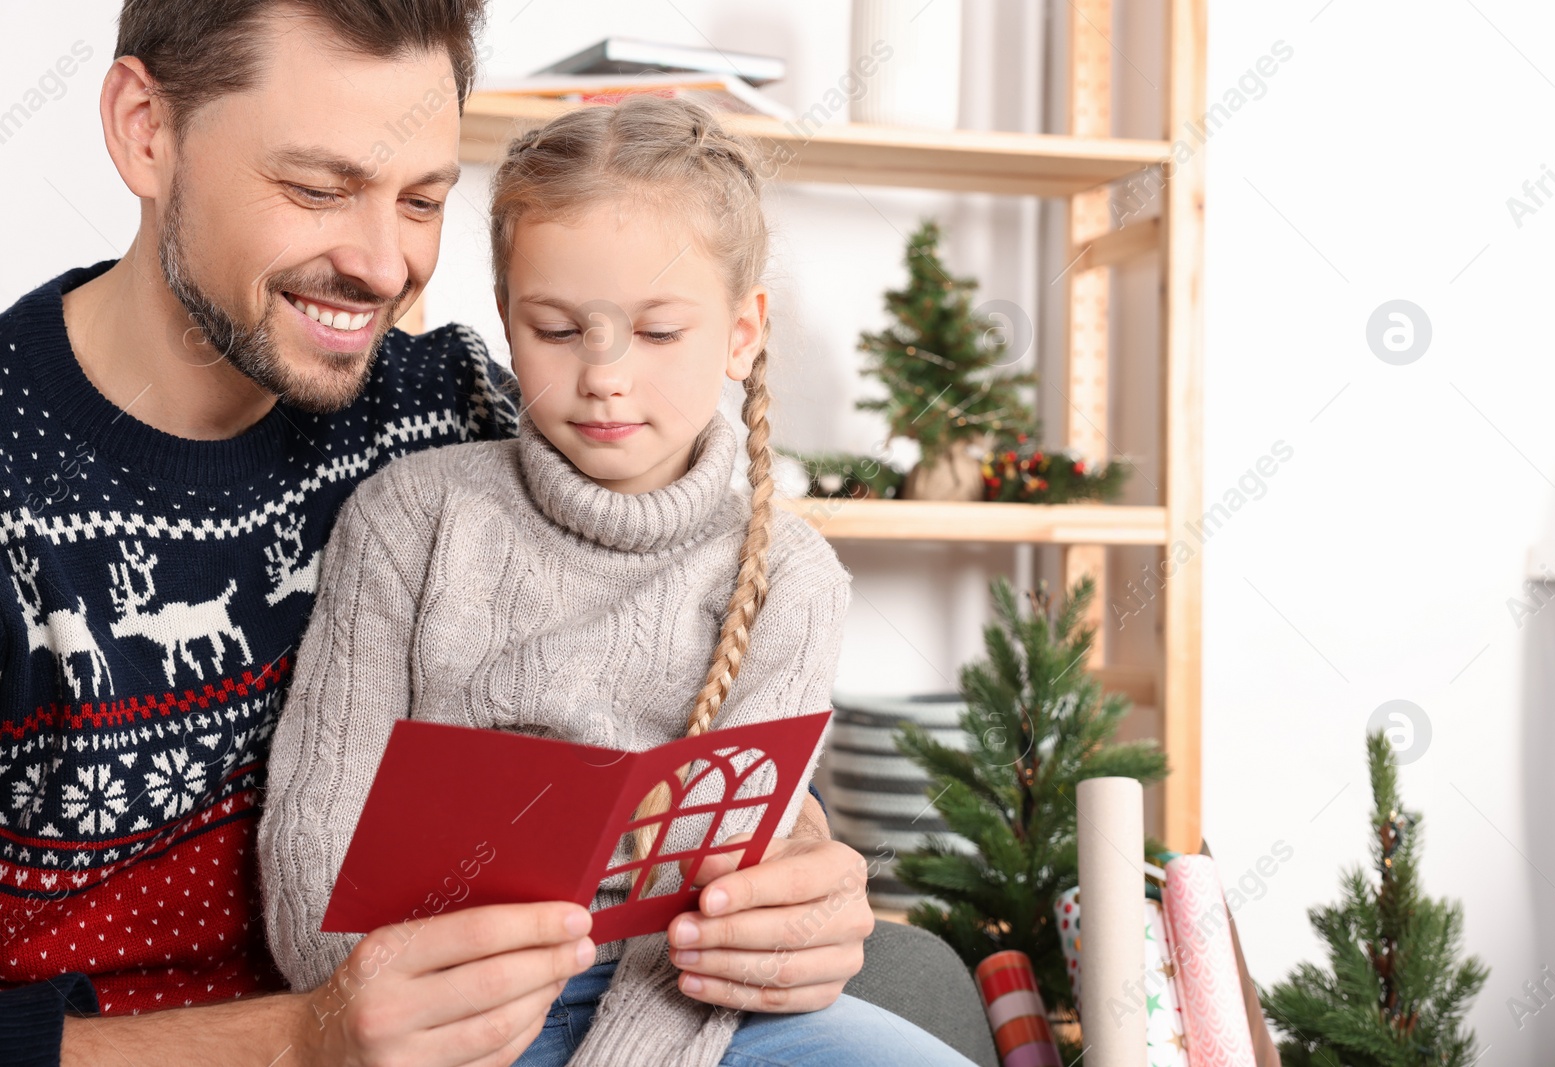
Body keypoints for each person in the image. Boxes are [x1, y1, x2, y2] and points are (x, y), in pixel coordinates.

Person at [0, 4, 878, 1064]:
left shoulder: (454, 407)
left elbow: (665, 649)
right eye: (317, 187)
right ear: (146, 127)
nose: (380, 267)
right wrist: (304, 1034)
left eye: (420, 200)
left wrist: (802, 872)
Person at [258, 95, 975, 1067]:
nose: (602, 374)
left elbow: (721, 905)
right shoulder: (409, 519)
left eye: (656, 332)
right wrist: (368, 1013)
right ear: (508, 324)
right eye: (556, 329)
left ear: (740, 331)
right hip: (441, 1006)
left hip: (690, 1011)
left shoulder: (790, 578)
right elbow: (316, 838)